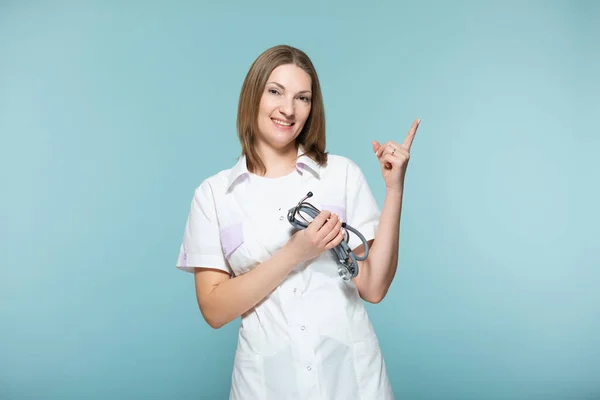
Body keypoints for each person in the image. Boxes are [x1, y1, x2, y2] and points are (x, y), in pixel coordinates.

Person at [175, 44, 420, 399]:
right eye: (275, 92)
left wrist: (394, 188)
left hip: (351, 381)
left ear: (311, 108)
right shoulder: (213, 196)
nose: (288, 109)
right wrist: (295, 253)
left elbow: (374, 288)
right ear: (253, 96)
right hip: (267, 385)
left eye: (302, 98)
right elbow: (214, 310)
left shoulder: (341, 174)